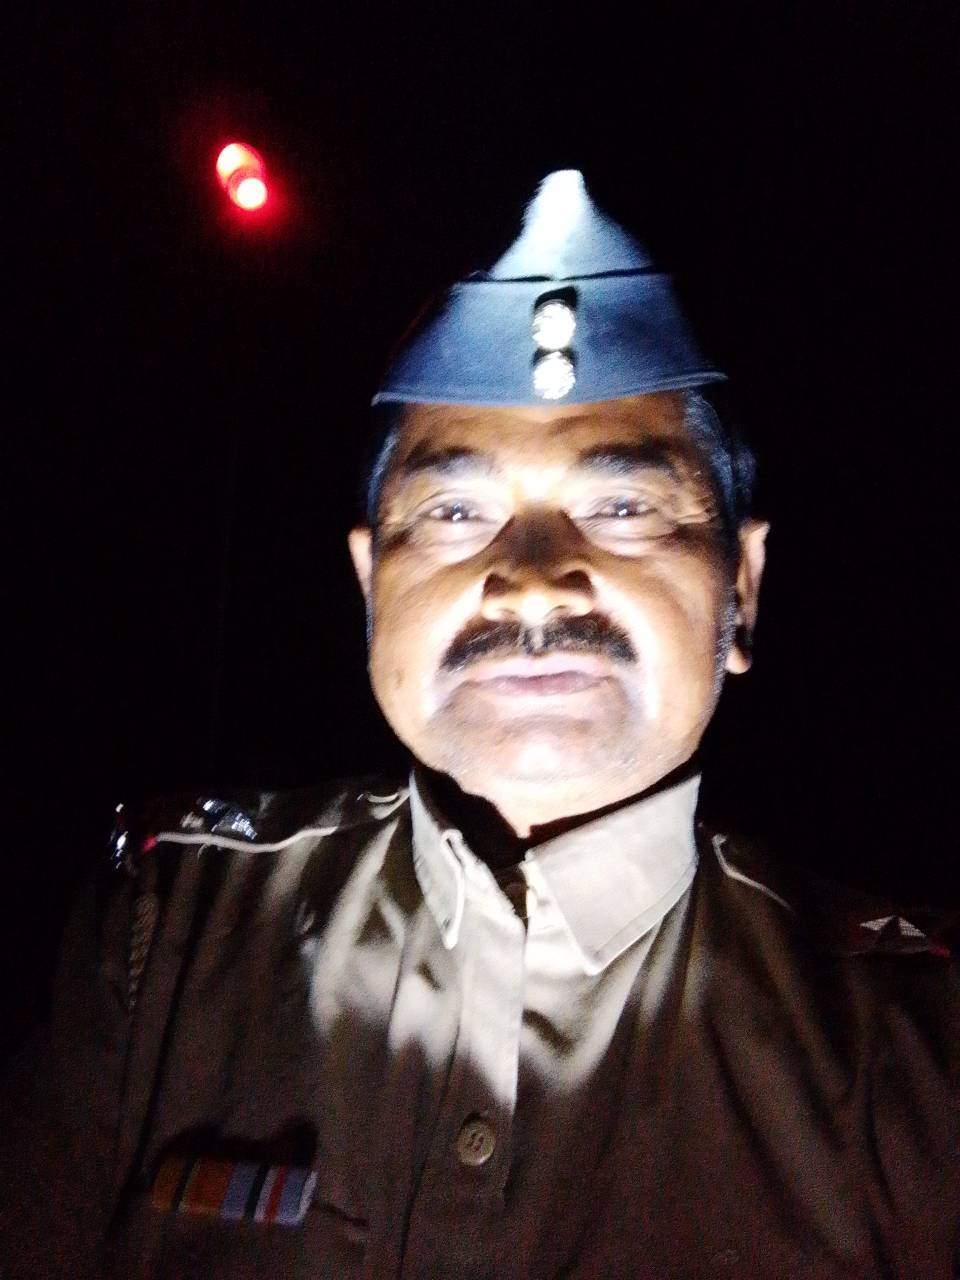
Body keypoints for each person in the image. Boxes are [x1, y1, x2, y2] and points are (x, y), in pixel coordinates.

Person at [1, 170, 957, 1279]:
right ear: (371, 587)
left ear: (740, 588)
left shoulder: (912, 1049)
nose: (535, 579)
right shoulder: (164, 938)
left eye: (622, 506)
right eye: (455, 511)